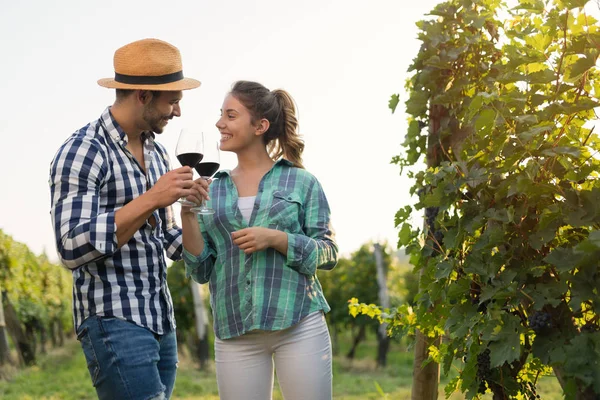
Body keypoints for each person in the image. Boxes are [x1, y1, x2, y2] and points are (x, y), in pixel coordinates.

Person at [49, 38, 208, 400]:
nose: (178, 112)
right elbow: (71, 246)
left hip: (159, 318)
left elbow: (165, 236)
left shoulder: (157, 150)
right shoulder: (83, 150)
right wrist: (152, 198)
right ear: (142, 95)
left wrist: (194, 216)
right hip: (113, 318)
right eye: (173, 101)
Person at [183, 80, 339, 400]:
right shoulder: (213, 188)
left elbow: (329, 251)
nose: (219, 123)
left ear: (260, 126)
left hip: (298, 324)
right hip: (235, 331)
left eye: (230, 115)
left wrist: (278, 239)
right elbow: (201, 269)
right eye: (220, 114)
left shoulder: (301, 181)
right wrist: (187, 216)